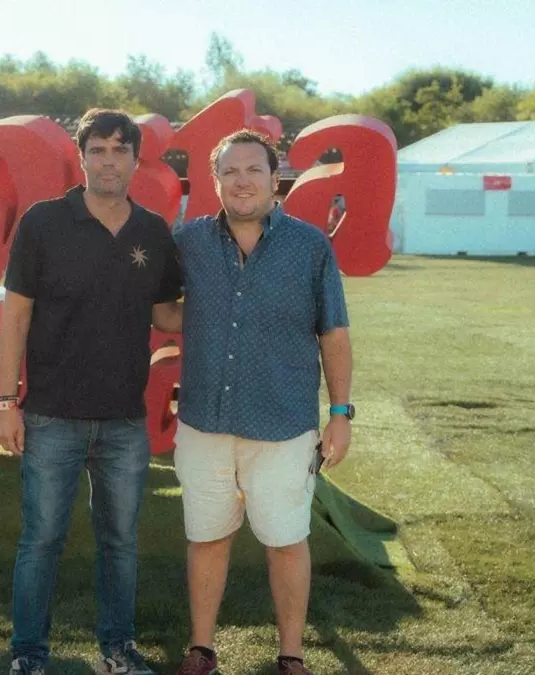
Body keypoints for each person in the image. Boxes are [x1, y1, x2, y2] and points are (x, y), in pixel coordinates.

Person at [0, 108, 184, 675]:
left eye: (120, 150)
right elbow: (15, 318)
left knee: (120, 542)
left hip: (125, 419)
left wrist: (233, 299)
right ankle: (29, 655)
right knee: (41, 541)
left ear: (135, 160)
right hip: (51, 416)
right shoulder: (43, 222)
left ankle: (117, 651)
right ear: (81, 158)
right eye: (97, 150)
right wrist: (6, 402)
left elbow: (166, 315)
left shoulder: (152, 231)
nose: (108, 161)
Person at [167, 130, 354, 675]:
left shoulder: (309, 246)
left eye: (254, 170)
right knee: (207, 538)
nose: (242, 180)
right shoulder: (189, 242)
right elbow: (161, 308)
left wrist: (340, 414)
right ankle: (201, 650)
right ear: (215, 181)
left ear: (275, 180)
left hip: (283, 424)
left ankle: (291, 656)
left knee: (286, 541)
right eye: (230, 171)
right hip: (204, 422)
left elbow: (334, 333)